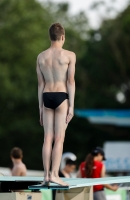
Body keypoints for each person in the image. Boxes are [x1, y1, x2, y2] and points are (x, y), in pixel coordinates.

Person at [36, 23, 76, 186]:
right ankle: (54, 174)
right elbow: (70, 81)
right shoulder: (69, 55)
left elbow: (40, 84)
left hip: (46, 96)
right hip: (61, 96)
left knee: (47, 138)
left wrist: (40, 107)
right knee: (59, 138)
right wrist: (71, 105)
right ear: (63, 37)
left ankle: (46, 175)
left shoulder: (41, 57)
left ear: (49, 37)